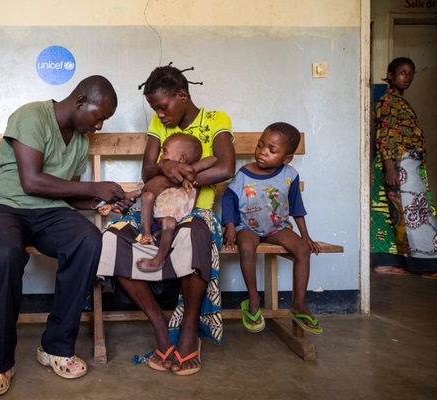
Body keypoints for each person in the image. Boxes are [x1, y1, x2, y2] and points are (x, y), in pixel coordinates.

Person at [0, 75, 132, 397]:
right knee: (5, 254)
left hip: (48, 212)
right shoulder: (30, 115)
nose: (99, 126)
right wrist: (94, 187)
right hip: (3, 208)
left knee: (88, 239)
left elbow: (67, 194)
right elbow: (31, 181)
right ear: (80, 102)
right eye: (98, 116)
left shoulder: (80, 141)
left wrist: (104, 201)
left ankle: (55, 346)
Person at [96, 64, 236, 376]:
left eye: (163, 107)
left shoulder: (215, 120)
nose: (160, 115)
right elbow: (147, 171)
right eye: (154, 109)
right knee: (112, 238)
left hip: (196, 211)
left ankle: (188, 334)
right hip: (153, 209)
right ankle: (161, 331)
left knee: (193, 234)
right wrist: (165, 169)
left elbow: (226, 168)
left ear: (182, 95)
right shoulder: (159, 127)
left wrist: (180, 177)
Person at [221, 122, 322, 335]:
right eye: (260, 146)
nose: (262, 152)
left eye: (271, 150)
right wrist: (230, 226)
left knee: (303, 250)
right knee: (247, 249)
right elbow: (229, 199)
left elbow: (296, 207)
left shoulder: (290, 175)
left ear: (287, 158)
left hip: (278, 228)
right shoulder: (244, 173)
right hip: (247, 227)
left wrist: (305, 235)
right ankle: (254, 300)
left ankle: (299, 304)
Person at [370, 57, 437, 277]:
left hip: (403, 164)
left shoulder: (398, 101)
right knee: (413, 214)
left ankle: (389, 262)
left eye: (411, 73)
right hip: (399, 165)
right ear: (390, 75)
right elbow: (386, 135)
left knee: (397, 214)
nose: (407, 77)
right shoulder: (389, 101)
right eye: (402, 72)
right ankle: (426, 264)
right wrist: (390, 167)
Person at [136, 133, 217, 272]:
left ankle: (159, 260)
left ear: (181, 159)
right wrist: (126, 196)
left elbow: (213, 159)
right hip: (154, 222)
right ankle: (147, 234)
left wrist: (191, 172)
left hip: (175, 224)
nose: (161, 156)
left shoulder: (193, 176)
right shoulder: (163, 174)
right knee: (147, 196)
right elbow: (145, 189)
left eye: (165, 151)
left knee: (169, 221)